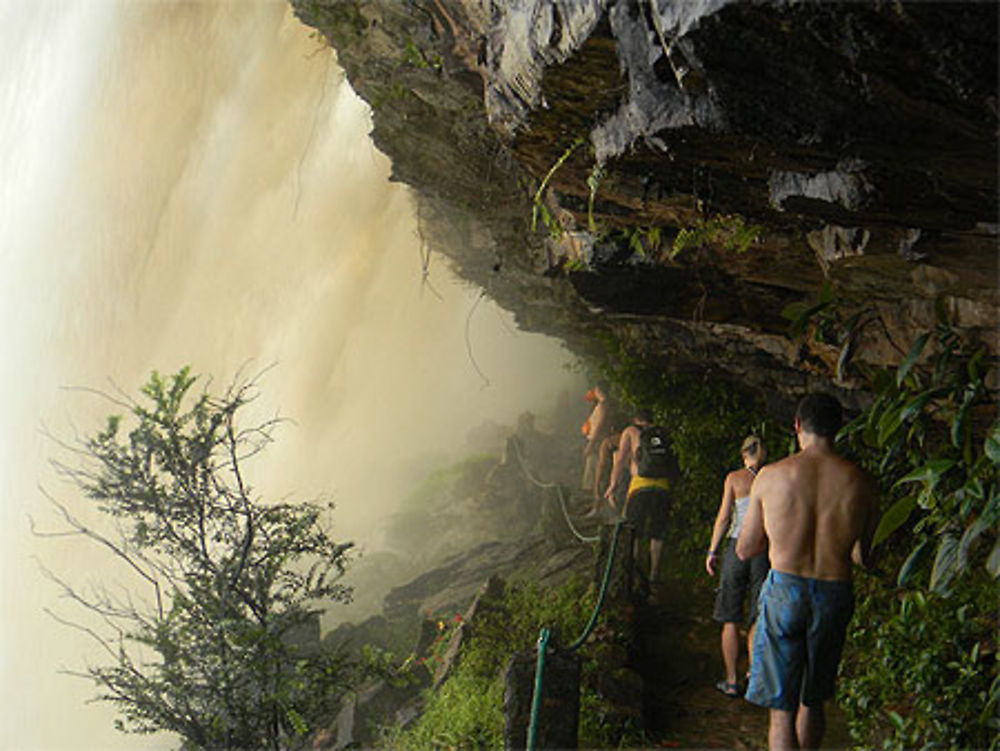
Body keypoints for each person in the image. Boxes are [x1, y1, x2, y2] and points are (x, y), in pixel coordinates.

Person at [737, 393, 878, 751]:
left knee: (781, 710)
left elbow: (746, 547)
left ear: (797, 425)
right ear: (839, 428)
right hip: (834, 591)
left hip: (785, 588)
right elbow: (864, 555)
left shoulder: (770, 476)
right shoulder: (861, 483)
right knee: (812, 700)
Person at [706, 435, 769, 698]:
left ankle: (732, 682)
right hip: (764, 549)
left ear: (744, 453)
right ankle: (754, 679)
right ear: (762, 453)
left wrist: (712, 550)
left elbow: (723, 518)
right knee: (757, 614)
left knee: (730, 617)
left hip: (736, 546)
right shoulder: (773, 476)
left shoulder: (734, 478)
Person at [604, 408, 674, 587]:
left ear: (636, 418)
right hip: (663, 486)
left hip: (640, 486)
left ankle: (633, 574)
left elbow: (619, 461)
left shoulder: (631, 431)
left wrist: (612, 486)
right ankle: (654, 575)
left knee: (633, 532)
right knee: (657, 533)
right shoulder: (664, 432)